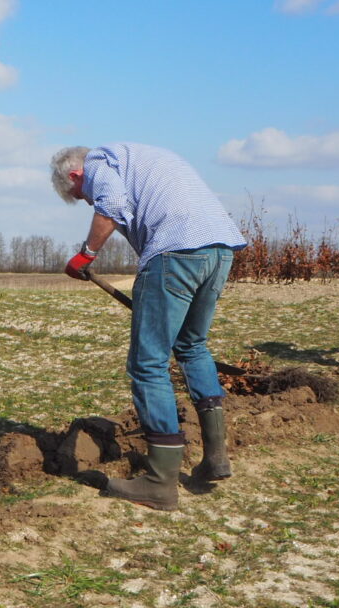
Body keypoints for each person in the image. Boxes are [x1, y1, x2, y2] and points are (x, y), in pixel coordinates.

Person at [51, 143, 246, 511]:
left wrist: (85, 255)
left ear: (75, 175)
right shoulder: (138, 158)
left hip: (176, 251)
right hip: (219, 250)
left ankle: (159, 482)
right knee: (191, 347)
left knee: (148, 364)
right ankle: (216, 457)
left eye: (80, 196)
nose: (87, 202)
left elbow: (111, 206)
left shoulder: (98, 163)